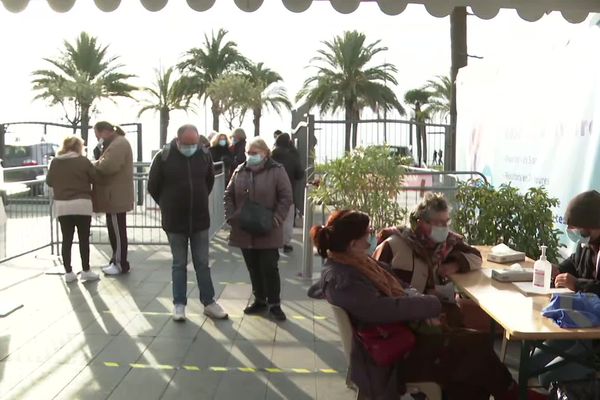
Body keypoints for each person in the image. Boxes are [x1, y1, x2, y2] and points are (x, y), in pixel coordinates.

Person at [307, 210, 547, 400]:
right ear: (352, 243)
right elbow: (383, 310)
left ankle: (510, 392)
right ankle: (512, 393)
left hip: (399, 338)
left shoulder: (357, 264)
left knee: (472, 351)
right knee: (475, 349)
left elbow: (400, 285)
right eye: (367, 235)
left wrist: (421, 301)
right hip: (391, 355)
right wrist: (430, 305)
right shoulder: (344, 278)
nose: (371, 237)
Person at [148, 124, 228, 321]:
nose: (192, 146)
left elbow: (208, 182)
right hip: (175, 222)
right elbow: (153, 186)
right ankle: (179, 304)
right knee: (179, 263)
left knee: (202, 263)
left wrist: (199, 199)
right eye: (187, 143)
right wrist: (168, 205)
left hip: (200, 220)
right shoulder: (163, 157)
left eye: (195, 143)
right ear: (178, 140)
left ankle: (209, 302)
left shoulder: (204, 155)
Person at [373, 193, 481, 326]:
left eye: (446, 222)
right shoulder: (393, 244)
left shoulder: (448, 243)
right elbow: (376, 283)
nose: (444, 228)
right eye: (438, 223)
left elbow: (476, 257)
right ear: (421, 222)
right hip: (403, 318)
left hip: (437, 312)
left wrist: (455, 265)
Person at [528, 190, 600, 388]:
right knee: (530, 365)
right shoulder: (587, 245)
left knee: (547, 377)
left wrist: (577, 284)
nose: (572, 232)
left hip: (595, 336)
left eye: (575, 228)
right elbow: (573, 263)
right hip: (580, 323)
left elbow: (583, 283)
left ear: (592, 226)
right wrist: (556, 270)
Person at [224, 137, 292, 321]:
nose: (250, 156)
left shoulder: (277, 171)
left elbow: (286, 197)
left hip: (268, 228)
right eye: (249, 153)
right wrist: (231, 216)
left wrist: (276, 219)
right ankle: (260, 300)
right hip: (244, 229)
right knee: (253, 267)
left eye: (254, 153)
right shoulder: (240, 170)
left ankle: (275, 304)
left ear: (265, 153)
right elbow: (228, 194)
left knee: (269, 266)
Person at [46, 136, 99, 283]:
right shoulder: (83, 161)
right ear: (78, 147)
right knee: (83, 239)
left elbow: (49, 182)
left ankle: (68, 272)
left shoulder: (55, 162)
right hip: (82, 204)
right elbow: (94, 178)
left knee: (66, 239)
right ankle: (86, 270)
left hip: (63, 205)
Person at [92, 121, 134, 275]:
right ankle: (116, 260)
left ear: (104, 132)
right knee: (115, 230)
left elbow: (107, 166)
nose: (97, 139)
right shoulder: (116, 143)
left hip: (116, 195)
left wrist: (94, 164)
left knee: (117, 231)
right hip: (113, 195)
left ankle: (120, 263)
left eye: (97, 135)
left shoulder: (118, 144)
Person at [271, 133, 304, 253]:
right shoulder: (292, 156)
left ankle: (272, 241)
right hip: (288, 192)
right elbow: (300, 174)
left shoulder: (270, 156)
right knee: (288, 219)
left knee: (273, 217)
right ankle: (286, 243)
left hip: (271, 193)